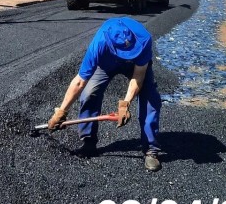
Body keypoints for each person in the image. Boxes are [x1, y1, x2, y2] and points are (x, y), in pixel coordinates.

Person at [48, 17, 162, 171]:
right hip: (106, 63)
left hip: (135, 65)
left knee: (150, 99)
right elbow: (80, 82)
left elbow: (138, 77)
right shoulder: (99, 43)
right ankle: (89, 142)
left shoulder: (144, 39)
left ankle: (151, 150)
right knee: (89, 93)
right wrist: (62, 111)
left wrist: (126, 103)